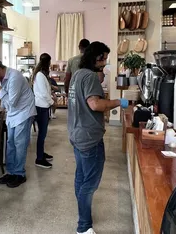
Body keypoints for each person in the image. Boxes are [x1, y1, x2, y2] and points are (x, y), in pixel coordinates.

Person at [67, 41, 129, 234]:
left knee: (81, 176)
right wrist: (119, 102)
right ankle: (84, 226)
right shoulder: (90, 77)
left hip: (76, 133)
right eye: (104, 58)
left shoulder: (78, 74)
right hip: (89, 137)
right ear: (97, 57)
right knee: (90, 183)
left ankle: (82, 212)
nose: (105, 62)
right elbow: (95, 104)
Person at [0, 57, 36, 188]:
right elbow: (6, 103)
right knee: (10, 144)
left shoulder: (14, 77)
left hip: (23, 113)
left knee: (19, 144)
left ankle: (20, 174)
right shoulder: (2, 79)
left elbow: (12, 102)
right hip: (13, 115)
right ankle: (11, 172)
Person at [32, 53, 54, 169]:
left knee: (43, 133)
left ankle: (41, 153)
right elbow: (44, 93)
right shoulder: (40, 75)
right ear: (47, 62)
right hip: (41, 107)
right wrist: (52, 102)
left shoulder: (41, 74)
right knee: (42, 133)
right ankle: (39, 159)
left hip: (43, 106)